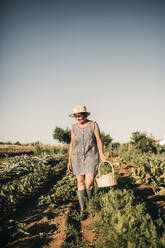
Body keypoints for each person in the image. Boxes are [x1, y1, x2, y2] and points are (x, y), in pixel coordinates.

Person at [67, 105, 107, 220]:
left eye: (80, 116)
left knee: (89, 183)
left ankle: (91, 207)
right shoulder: (74, 127)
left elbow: (98, 140)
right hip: (77, 157)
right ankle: (84, 211)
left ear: (85, 115)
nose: (78, 118)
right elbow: (72, 144)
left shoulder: (93, 125)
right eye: (76, 116)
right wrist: (69, 160)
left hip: (91, 156)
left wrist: (102, 154)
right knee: (80, 182)